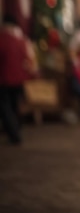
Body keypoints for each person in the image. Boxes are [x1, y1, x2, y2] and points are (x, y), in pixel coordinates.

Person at [0, 14, 37, 145]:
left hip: (4, 79)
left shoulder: (2, 40)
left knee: (5, 107)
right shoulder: (21, 41)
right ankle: (15, 129)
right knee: (15, 106)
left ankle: (13, 133)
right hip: (19, 78)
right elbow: (28, 60)